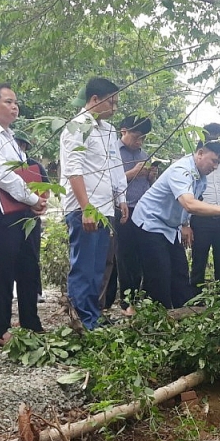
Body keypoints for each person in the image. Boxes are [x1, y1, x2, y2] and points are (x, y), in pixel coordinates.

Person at [131, 141, 220, 309]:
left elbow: (191, 207)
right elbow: (189, 203)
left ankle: (183, 315)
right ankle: (161, 319)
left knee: (180, 272)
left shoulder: (201, 178)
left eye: (219, 162)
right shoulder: (182, 171)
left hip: (170, 227)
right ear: (200, 153)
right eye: (214, 161)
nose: (216, 166)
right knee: (160, 272)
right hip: (150, 222)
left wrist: (184, 223)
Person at [0, 83, 47, 345]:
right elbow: (3, 176)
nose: (14, 107)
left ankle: (31, 322)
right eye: (8, 101)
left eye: (16, 102)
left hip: (23, 208)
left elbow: (24, 173)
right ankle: (0, 328)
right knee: (2, 268)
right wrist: (34, 198)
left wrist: (35, 200)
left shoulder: (10, 137)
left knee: (28, 265)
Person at [60, 77, 128, 330]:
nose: (115, 107)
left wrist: (121, 197)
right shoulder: (76, 127)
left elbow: (114, 166)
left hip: (106, 207)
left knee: (100, 267)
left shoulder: (109, 130)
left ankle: (94, 315)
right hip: (84, 209)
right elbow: (73, 170)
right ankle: (82, 319)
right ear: (95, 100)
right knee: (84, 266)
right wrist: (86, 208)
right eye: (112, 101)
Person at [188, 123, 220, 294]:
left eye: (218, 138)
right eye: (210, 136)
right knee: (198, 263)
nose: (214, 140)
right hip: (200, 220)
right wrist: (186, 224)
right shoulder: (194, 162)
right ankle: (195, 301)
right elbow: (186, 197)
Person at [113, 114, 153, 315]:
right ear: (124, 131)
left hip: (142, 211)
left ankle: (139, 299)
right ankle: (125, 301)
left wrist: (151, 176)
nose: (140, 142)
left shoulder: (143, 155)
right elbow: (110, 182)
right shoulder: (112, 153)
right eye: (136, 137)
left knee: (141, 256)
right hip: (122, 209)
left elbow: (147, 185)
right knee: (124, 256)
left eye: (143, 138)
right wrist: (132, 173)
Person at [13, 129, 49, 303]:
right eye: (16, 143)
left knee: (32, 256)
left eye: (22, 144)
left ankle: (35, 292)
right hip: (10, 215)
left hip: (31, 215)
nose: (19, 147)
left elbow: (46, 189)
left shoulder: (35, 166)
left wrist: (40, 203)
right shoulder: (7, 166)